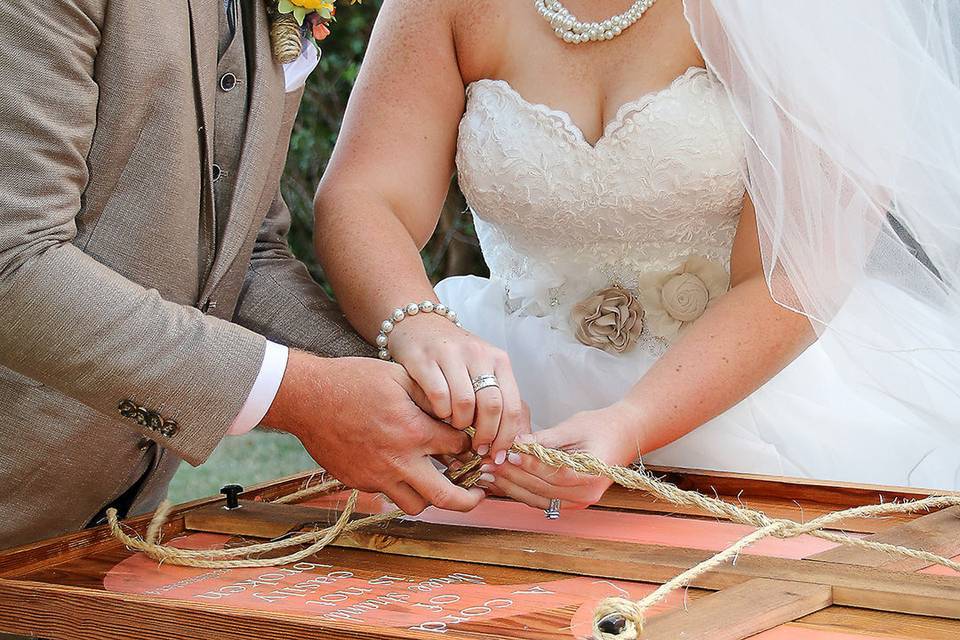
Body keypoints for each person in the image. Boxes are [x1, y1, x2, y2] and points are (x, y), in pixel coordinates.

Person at [314, 0, 960, 513]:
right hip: (507, 401)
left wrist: (633, 422)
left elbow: (796, 271)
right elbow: (365, 198)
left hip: (752, 396)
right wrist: (418, 323)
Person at [0, 0, 483, 552]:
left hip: (110, 534)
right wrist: (305, 396)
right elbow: (14, 261)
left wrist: (407, 390)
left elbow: (243, 254)